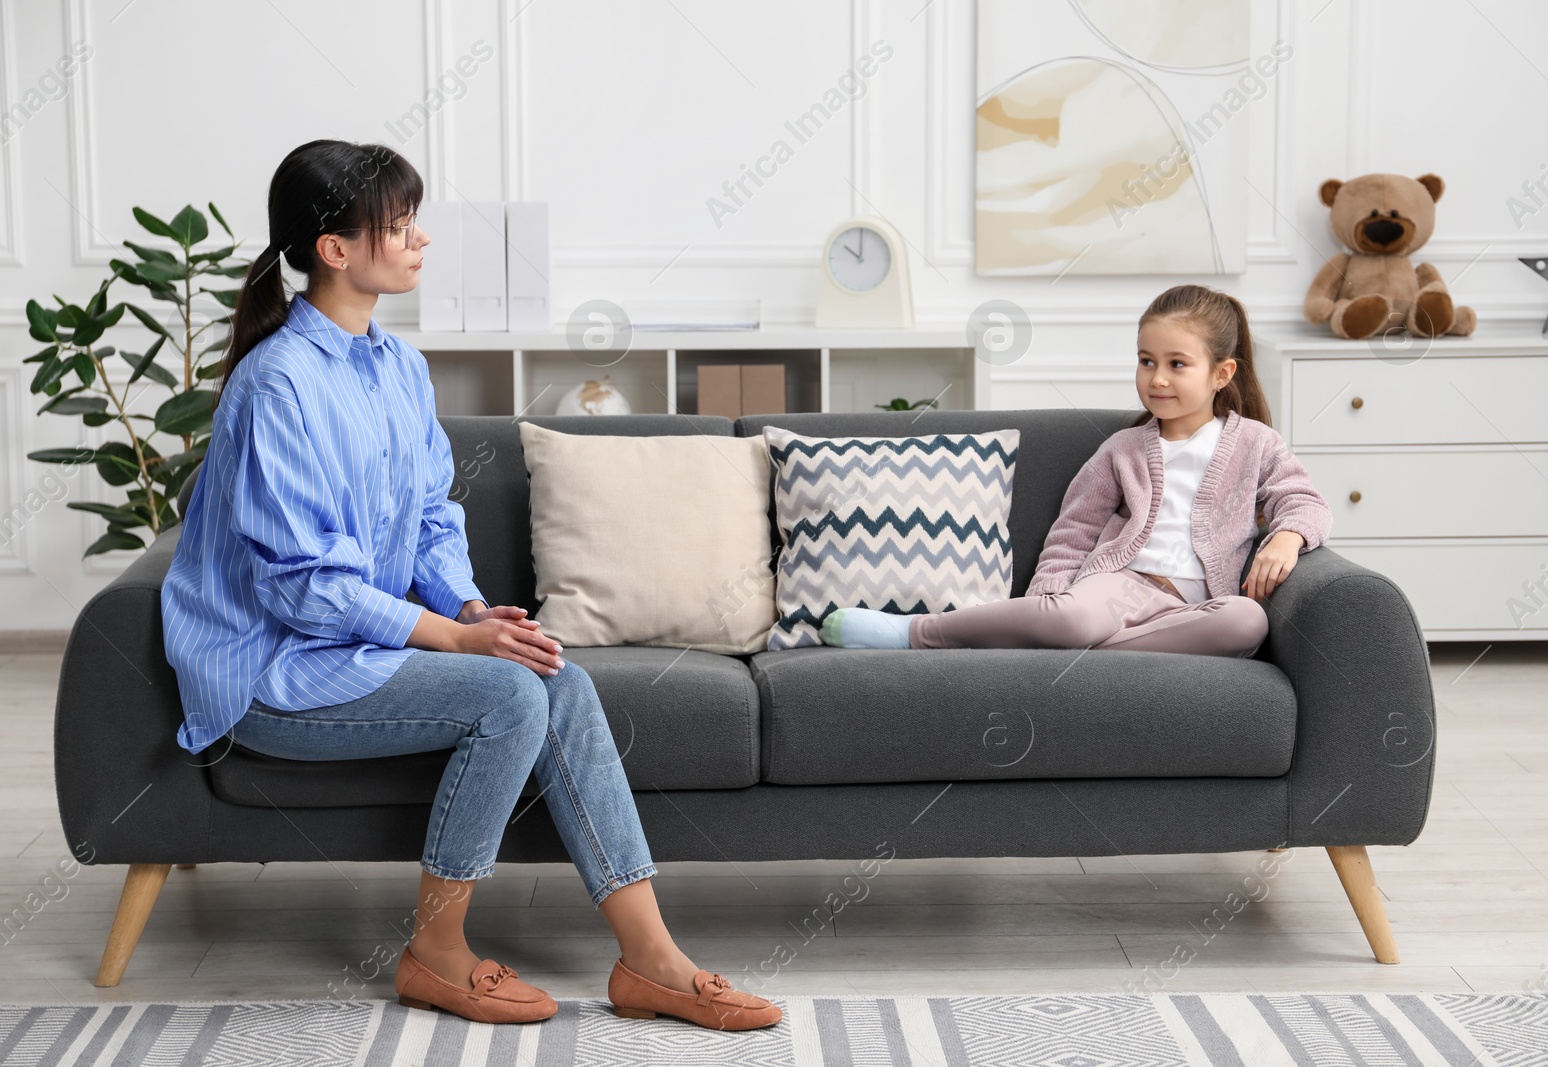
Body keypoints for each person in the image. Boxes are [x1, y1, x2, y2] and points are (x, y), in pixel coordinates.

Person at [159, 139, 780, 1030]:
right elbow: (299, 588)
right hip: (273, 669)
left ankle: (652, 960)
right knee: (508, 698)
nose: (419, 241)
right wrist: (455, 640)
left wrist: (470, 607)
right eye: (399, 225)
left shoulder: (399, 368)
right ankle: (436, 954)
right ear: (334, 248)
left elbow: (429, 517)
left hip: (358, 647)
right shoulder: (277, 386)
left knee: (554, 675)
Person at [820, 284, 1331, 656]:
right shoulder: (1124, 448)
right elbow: (1075, 528)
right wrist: (1049, 599)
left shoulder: (1256, 443)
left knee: (1247, 622)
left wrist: (1287, 538)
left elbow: (1304, 501)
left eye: (1177, 364)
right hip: (1120, 586)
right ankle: (915, 633)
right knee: (1070, 616)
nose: (1156, 378)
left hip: (1195, 609)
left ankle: (1082, 650)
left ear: (1222, 373)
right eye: (1146, 361)